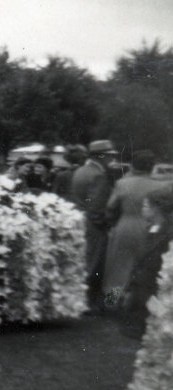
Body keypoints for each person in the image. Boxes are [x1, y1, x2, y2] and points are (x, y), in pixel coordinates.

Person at [101, 150, 165, 304]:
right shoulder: (162, 185)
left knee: (119, 267)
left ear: (133, 165)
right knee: (146, 266)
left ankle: (112, 300)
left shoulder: (122, 183)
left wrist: (112, 222)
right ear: (152, 166)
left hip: (126, 226)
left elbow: (111, 207)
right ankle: (140, 301)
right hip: (151, 229)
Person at [114, 188, 173, 338]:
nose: (143, 209)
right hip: (142, 286)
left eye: (146, 206)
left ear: (156, 209)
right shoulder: (151, 228)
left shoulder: (167, 234)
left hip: (155, 285)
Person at [71, 139, 117, 312]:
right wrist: (105, 225)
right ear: (101, 156)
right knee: (95, 264)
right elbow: (96, 207)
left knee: (85, 261)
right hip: (94, 226)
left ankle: (81, 301)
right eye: (109, 156)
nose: (111, 160)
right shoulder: (98, 175)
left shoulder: (80, 171)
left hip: (81, 220)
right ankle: (91, 304)